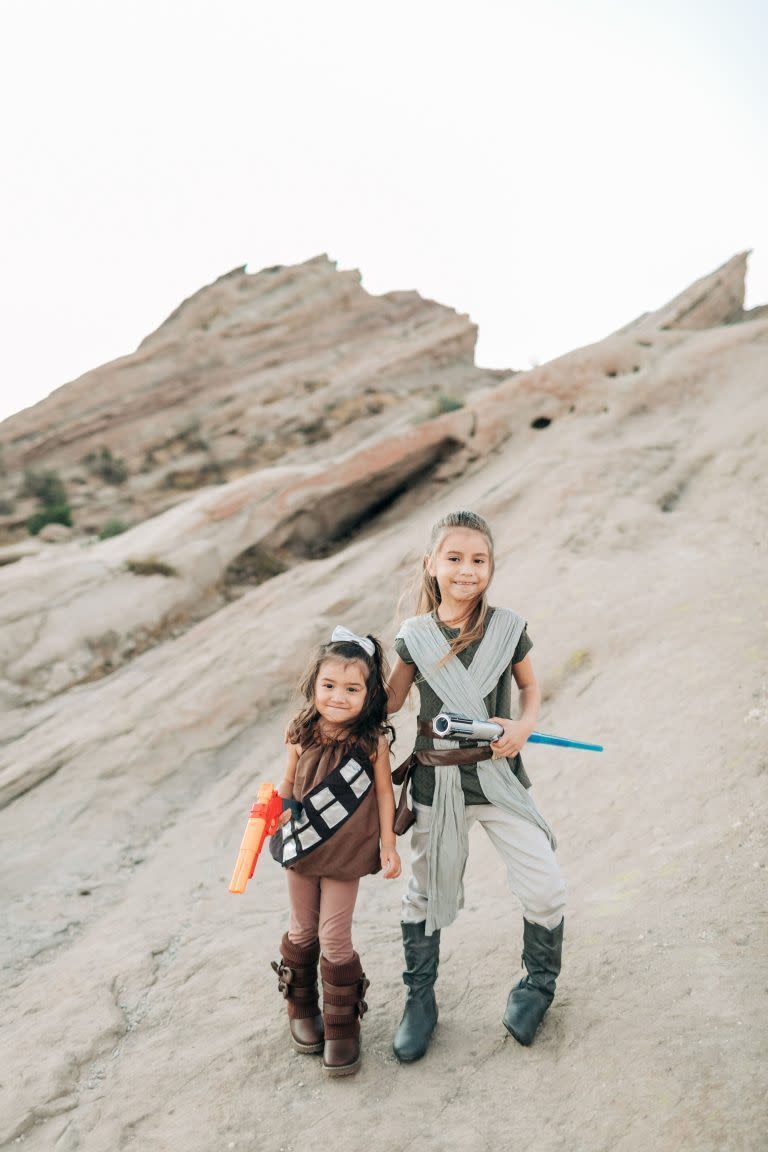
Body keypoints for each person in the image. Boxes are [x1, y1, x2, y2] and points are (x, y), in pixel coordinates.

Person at [386, 510, 566, 1060]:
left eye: (478, 560)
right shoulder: (415, 636)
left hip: (498, 777)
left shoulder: (508, 627)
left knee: (545, 887)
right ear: (431, 565)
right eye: (455, 558)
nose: (467, 570)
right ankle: (420, 1001)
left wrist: (524, 725)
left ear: (491, 566)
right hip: (437, 783)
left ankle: (537, 986)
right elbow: (390, 703)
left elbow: (530, 689)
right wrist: (347, 685)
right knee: (423, 893)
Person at [270, 625, 401, 1077]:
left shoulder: (372, 742)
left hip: (345, 853)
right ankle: (301, 1008)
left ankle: (344, 1025)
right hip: (303, 846)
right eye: (328, 686)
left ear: (369, 695)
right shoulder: (300, 732)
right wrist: (283, 807)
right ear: (313, 686)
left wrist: (388, 843)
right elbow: (287, 783)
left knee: (334, 935)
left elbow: (385, 795)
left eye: (352, 688)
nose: (338, 697)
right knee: (302, 930)